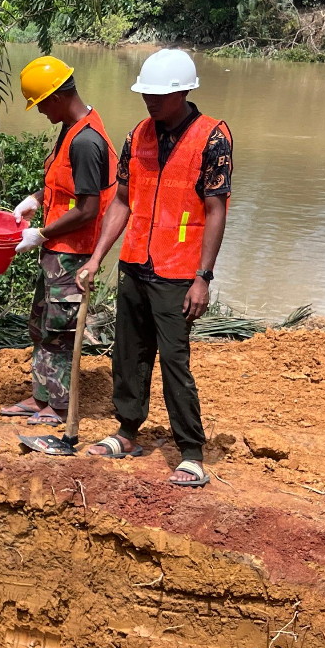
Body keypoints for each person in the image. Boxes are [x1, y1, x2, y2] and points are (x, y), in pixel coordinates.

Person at [77, 48, 232, 488]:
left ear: (183, 91)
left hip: (179, 269)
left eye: (158, 95)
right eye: (146, 93)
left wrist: (203, 276)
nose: (150, 101)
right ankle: (127, 432)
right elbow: (123, 201)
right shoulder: (138, 135)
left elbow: (216, 210)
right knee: (130, 354)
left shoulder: (211, 138)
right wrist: (96, 258)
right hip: (136, 263)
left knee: (175, 361)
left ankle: (190, 452)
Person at [0, 57, 116, 427]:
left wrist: (42, 234)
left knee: (61, 332)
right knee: (42, 326)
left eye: (41, 104)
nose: (40, 113)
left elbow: (87, 209)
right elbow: (63, 186)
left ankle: (59, 408)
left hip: (73, 254)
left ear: (56, 97)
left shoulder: (86, 141)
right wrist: (36, 199)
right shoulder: (71, 128)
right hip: (57, 251)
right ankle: (41, 397)